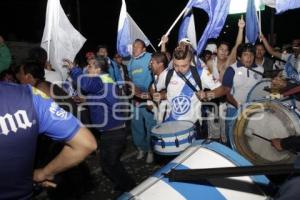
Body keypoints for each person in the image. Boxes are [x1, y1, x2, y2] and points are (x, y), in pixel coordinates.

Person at [0, 81, 97, 199]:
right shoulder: (27, 95)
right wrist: (43, 174)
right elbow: (85, 144)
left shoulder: (33, 92)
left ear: (28, 75)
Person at [64, 57, 136, 192]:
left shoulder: (100, 81)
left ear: (98, 69)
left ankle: (130, 188)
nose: (87, 69)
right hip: (112, 131)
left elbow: (85, 84)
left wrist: (74, 70)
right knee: (111, 162)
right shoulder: (104, 81)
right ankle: (124, 183)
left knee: (108, 164)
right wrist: (86, 99)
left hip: (113, 133)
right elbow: (102, 99)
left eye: (90, 66)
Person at [155, 45, 226, 139]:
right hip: (170, 124)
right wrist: (160, 95)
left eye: (184, 65)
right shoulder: (166, 74)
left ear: (191, 61)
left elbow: (223, 90)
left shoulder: (201, 73)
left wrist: (207, 94)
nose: (179, 69)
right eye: (176, 65)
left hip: (193, 127)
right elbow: (155, 89)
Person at [222, 43, 264, 146]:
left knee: (249, 141)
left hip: (253, 110)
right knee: (232, 139)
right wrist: (238, 105)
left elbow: (259, 89)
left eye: (251, 55)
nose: (249, 58)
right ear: (239, 56)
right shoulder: (231, 70)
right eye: (245, 54)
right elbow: (225, 92)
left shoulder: (260, 69)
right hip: (234, 109)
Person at [127, 39, 156, 162]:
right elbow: (130, 79)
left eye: (137, 46)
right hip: (135, 99)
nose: (134, 48)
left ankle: (151, 150)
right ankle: (141, 148)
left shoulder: (150, 57)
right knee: (136, 125)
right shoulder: (130, 62)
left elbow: (163, 61)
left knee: (150, 125)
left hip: (148, 97)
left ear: (144, 49)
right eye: (133, 46)